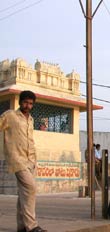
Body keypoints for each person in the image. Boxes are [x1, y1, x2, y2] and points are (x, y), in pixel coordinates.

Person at [0, 91, 47, 232]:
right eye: (25, 102)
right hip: (17, 159)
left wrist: (34, 159)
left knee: (23, 194)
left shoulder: (31, 119)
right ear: (20, 102)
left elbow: (29, 140)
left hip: (30, 160)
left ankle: (22, 227)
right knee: (31, 188)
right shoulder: (10, 115)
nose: (28, 106)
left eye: (31, 103)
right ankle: (32, 226)